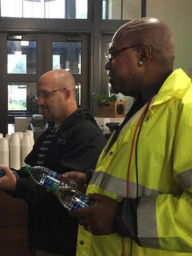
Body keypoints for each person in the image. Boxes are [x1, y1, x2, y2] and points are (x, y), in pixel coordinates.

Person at [69, 17, 192, 256]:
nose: (107, 65)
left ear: (142, 55)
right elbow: (144, 175)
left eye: (113, 54)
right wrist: (93, 182)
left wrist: (121, 216)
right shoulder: (146, 105)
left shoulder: (185, 109)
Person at [0, 69, 106, 256]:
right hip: (44, 235)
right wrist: (9, 175)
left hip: (66, 240)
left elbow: (66, 188)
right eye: (38, 96)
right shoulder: (52, 132)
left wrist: (17, 185)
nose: (39, 102)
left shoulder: (85, 134)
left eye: (45, 95)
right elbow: (31, 170)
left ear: (67, 93)